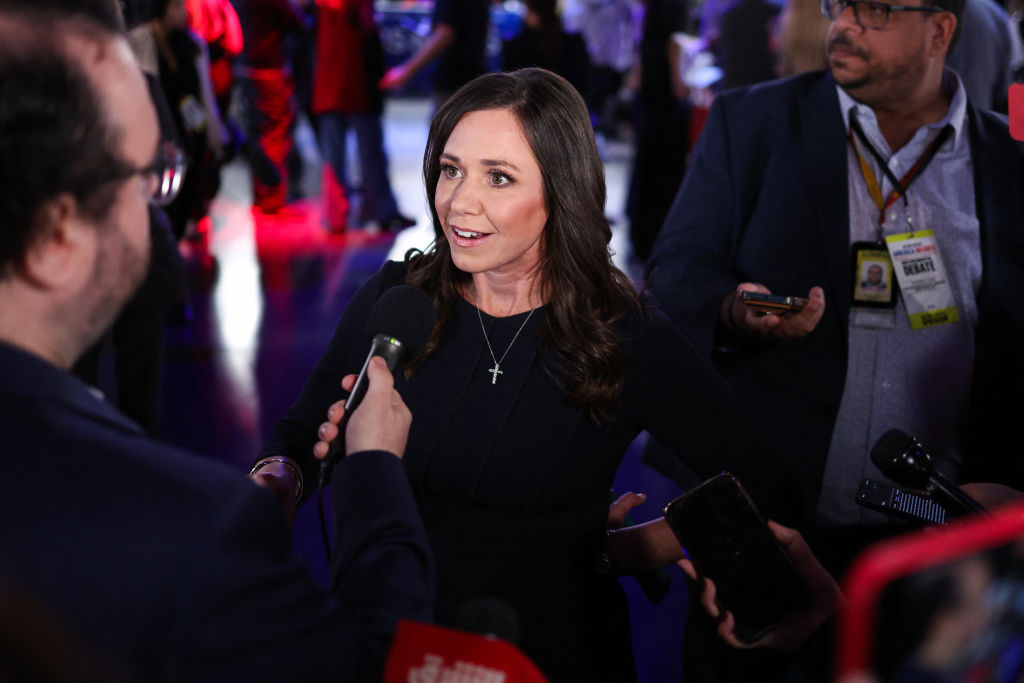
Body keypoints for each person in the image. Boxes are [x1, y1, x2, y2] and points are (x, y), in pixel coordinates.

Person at [253, 67, 814, 682]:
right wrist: (275, 484)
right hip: (400, 638)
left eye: (498, 177)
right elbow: (300, 437)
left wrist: (655, 541)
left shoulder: (621, 332)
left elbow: (761, 474)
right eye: (450, 169)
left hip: (558, 652)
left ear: (561, 192)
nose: (459, 202)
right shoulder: (397, 300)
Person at [0, 1, 432, 680]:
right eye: (146, 182)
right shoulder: (188, 536)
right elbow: (375, 665)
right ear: (59, 235)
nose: (156, 216)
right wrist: (375, 470)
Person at [645, 0, 1024, 605]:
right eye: (837, 5)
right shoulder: (752, 124)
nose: (843, 24)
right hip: (767, 517)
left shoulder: (1008, 162)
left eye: (873, 9)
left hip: (939, 542)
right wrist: (733, 310)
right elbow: (675, 274)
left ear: (940, 30)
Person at [312, 0, 417, 233]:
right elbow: (367, 24)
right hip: (356, 80)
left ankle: (336, 215)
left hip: (330, 82)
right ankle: (379, 210)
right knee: (369, 151)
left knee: (334, 156)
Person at [377, 0, 490, 106]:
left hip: (453, 81)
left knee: (446, 124)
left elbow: (444, 35)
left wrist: (406, 71)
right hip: (473, 76)